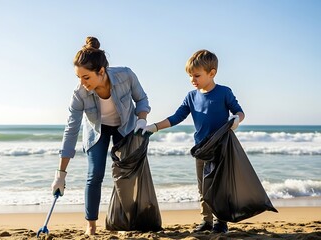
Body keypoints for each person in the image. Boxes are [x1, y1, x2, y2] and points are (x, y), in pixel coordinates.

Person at [51, 36, 151, 235]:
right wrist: (60, 175)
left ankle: (128, 218)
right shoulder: (79, 94)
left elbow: (141, 99)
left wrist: (141, 119)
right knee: (95, 174)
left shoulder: (125, 75)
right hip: (97, 131)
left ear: (102, 71)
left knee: (127, 174)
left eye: (86, 77)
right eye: (79, 78)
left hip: (125, 127)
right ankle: (91, 224)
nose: (82, 83)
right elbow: (71, 130)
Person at [142, 49, 244, 233]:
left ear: (212, 73)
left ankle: (221, 222)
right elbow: (177, 117)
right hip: (201, 149)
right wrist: (154, 127)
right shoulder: (191, 96)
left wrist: (237, 119)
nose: (192, 80)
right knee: (203, 186)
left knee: (219, 186)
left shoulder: (224, 92)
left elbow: (239, 111)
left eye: (196, 75)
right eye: (190, 76)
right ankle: (206, 221)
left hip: (221, 147)